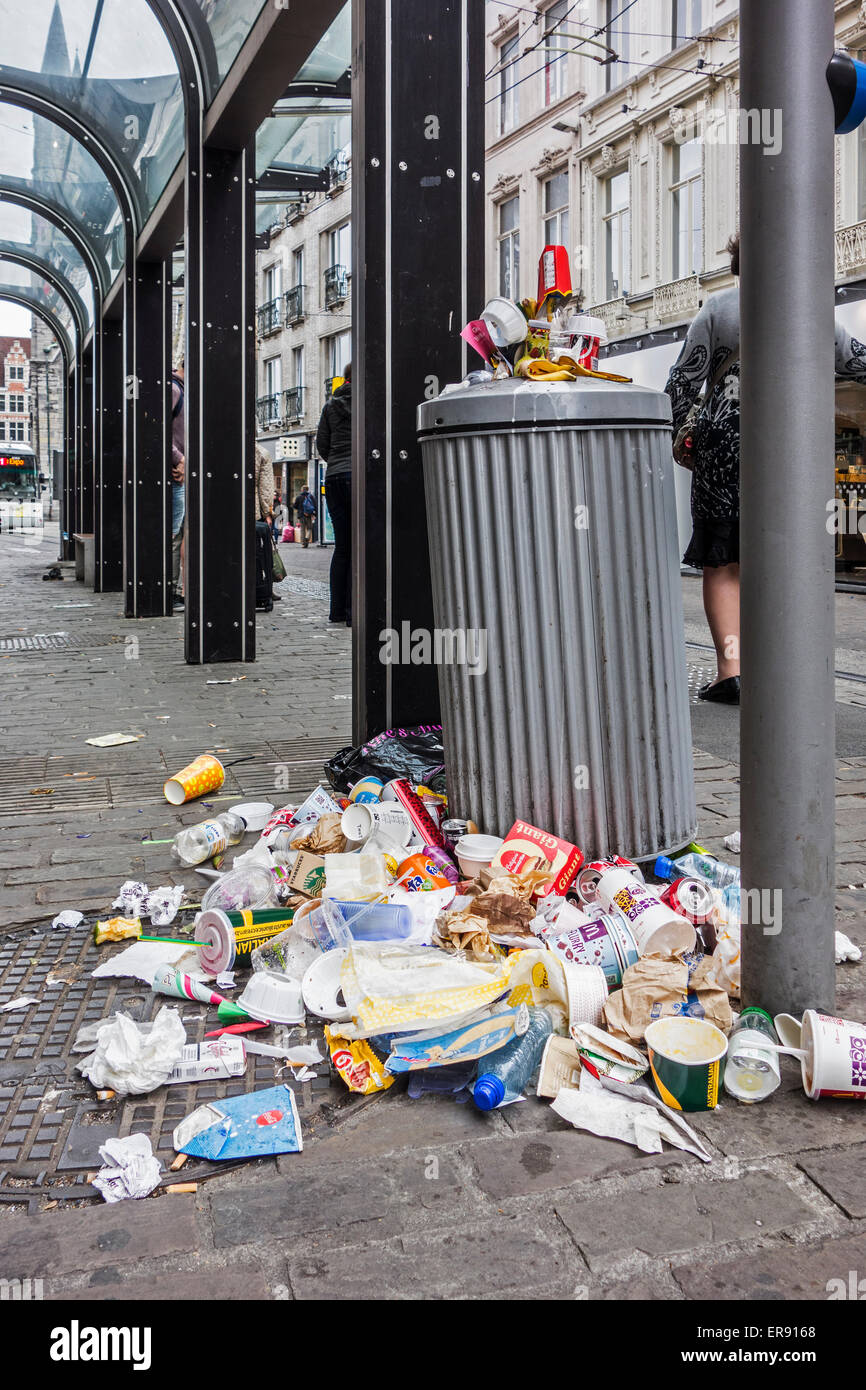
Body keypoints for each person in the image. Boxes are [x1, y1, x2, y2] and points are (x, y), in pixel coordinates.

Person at [665, 234, 866, 705]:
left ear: (738, 265)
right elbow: (860, 363)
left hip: (722, 449)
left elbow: (682, 381)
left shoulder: (717, 309)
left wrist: (683, 435)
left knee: (722, 562)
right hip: (791, 452)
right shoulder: (815, 312)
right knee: (780, 557)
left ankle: (731, 670)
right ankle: (783, 667)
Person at [317, 362, 352, 625]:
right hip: (358, 476)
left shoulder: (330, 405)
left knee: (342, 547)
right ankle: (355, 611)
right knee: (362, 546)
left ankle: (337, 611)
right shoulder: (368, 401)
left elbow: (322, 445)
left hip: (334, 477)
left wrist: (337, 462)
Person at [254, 444, 280, 601]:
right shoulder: (261, 452)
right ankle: (262, 587)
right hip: (255, 511)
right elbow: (265, 489)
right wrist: (267, 513)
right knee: (258, 552)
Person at [170, 364, 185, 611]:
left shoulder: (180, 388)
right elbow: (158, 428)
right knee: (173, 534)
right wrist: (179, 459)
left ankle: (173, 589)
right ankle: (169, 590)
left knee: (178, 533)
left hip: (180, 473)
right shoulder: (174, 389)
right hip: (174, 474)